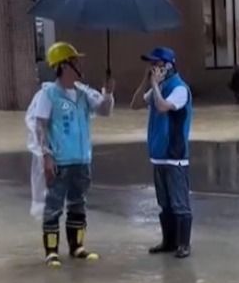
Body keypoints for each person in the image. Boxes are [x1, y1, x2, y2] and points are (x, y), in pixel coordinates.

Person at [27, 41, 114, 267]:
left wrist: (109, 92)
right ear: (64, 66)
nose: (79, 64)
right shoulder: (49, 94)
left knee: (78, 204)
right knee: (53, 206)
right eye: (75, 61)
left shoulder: (84, 93)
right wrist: (46, 156)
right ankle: (52, 252)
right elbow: (40, 126)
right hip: (60, 162)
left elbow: (104, 111)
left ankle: (77, 247)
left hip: (82, 160)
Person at [131, 47, 193, 258]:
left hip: (175, 155)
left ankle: (184, 244)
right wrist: (145, 81)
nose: (154, 68)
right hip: (158, 154)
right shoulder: (161, 86)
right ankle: (168, 241)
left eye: (157, 64)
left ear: (168, 65)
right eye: (152, 64)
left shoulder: (179, 88)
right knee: (164, 203)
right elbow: (135, 104)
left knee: (179, 203)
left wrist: (155, 85)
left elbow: (163, 106)